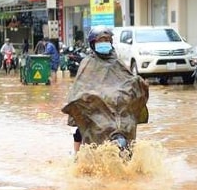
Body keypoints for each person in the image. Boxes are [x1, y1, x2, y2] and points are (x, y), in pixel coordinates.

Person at [63, 26, 149, 154]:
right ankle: (77, 156)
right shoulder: (87, 63)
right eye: (100, 42)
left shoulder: (117, 62)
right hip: (95, 108)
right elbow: (80, 86)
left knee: (128, 125)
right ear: (93, 44)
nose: (104, 44)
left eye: (106, 41)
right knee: (80, 129)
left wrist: (138, 84)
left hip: (115, 108)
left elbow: (127, 80)